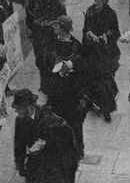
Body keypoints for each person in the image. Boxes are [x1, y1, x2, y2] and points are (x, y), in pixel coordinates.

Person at [12, 88, 80, 183]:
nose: (16, 112)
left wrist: (44, 144)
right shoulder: (20, 120)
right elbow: (19, 144)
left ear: (29, 107)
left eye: (19, 109)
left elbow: (66, 144)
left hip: (54, 163)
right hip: (36, 163)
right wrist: (20, 166)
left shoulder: (49, 118)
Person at [46, 15, 87, 157]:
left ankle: (78, 148)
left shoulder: (76, 46)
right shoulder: (53, 43)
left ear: (63, 28)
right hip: (56, 90)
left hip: (71, 91)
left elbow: (82, 69)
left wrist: (70, 67)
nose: (53, 28)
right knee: (57, 120)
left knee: (75, 122)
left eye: (56, 25)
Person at [82, 0, 120, 122]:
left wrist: (106, 35)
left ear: (105, 1)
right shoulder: (89, 11)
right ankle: (92, 104)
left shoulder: (111, 13)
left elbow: (116, 31)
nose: (95, 1)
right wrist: (89, 34)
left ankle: (106, 109)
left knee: (104, 81)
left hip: (105, 52)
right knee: (90, 79)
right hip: (91, 51)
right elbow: (85, 29)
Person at [25, 0, 66, 92]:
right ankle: (43, 84)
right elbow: (29, 15)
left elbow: (63, 17)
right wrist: (31, 30)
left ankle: (50, 85)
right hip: (38, 35)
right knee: (40, 60)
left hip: (51, 35)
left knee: (50, 59)